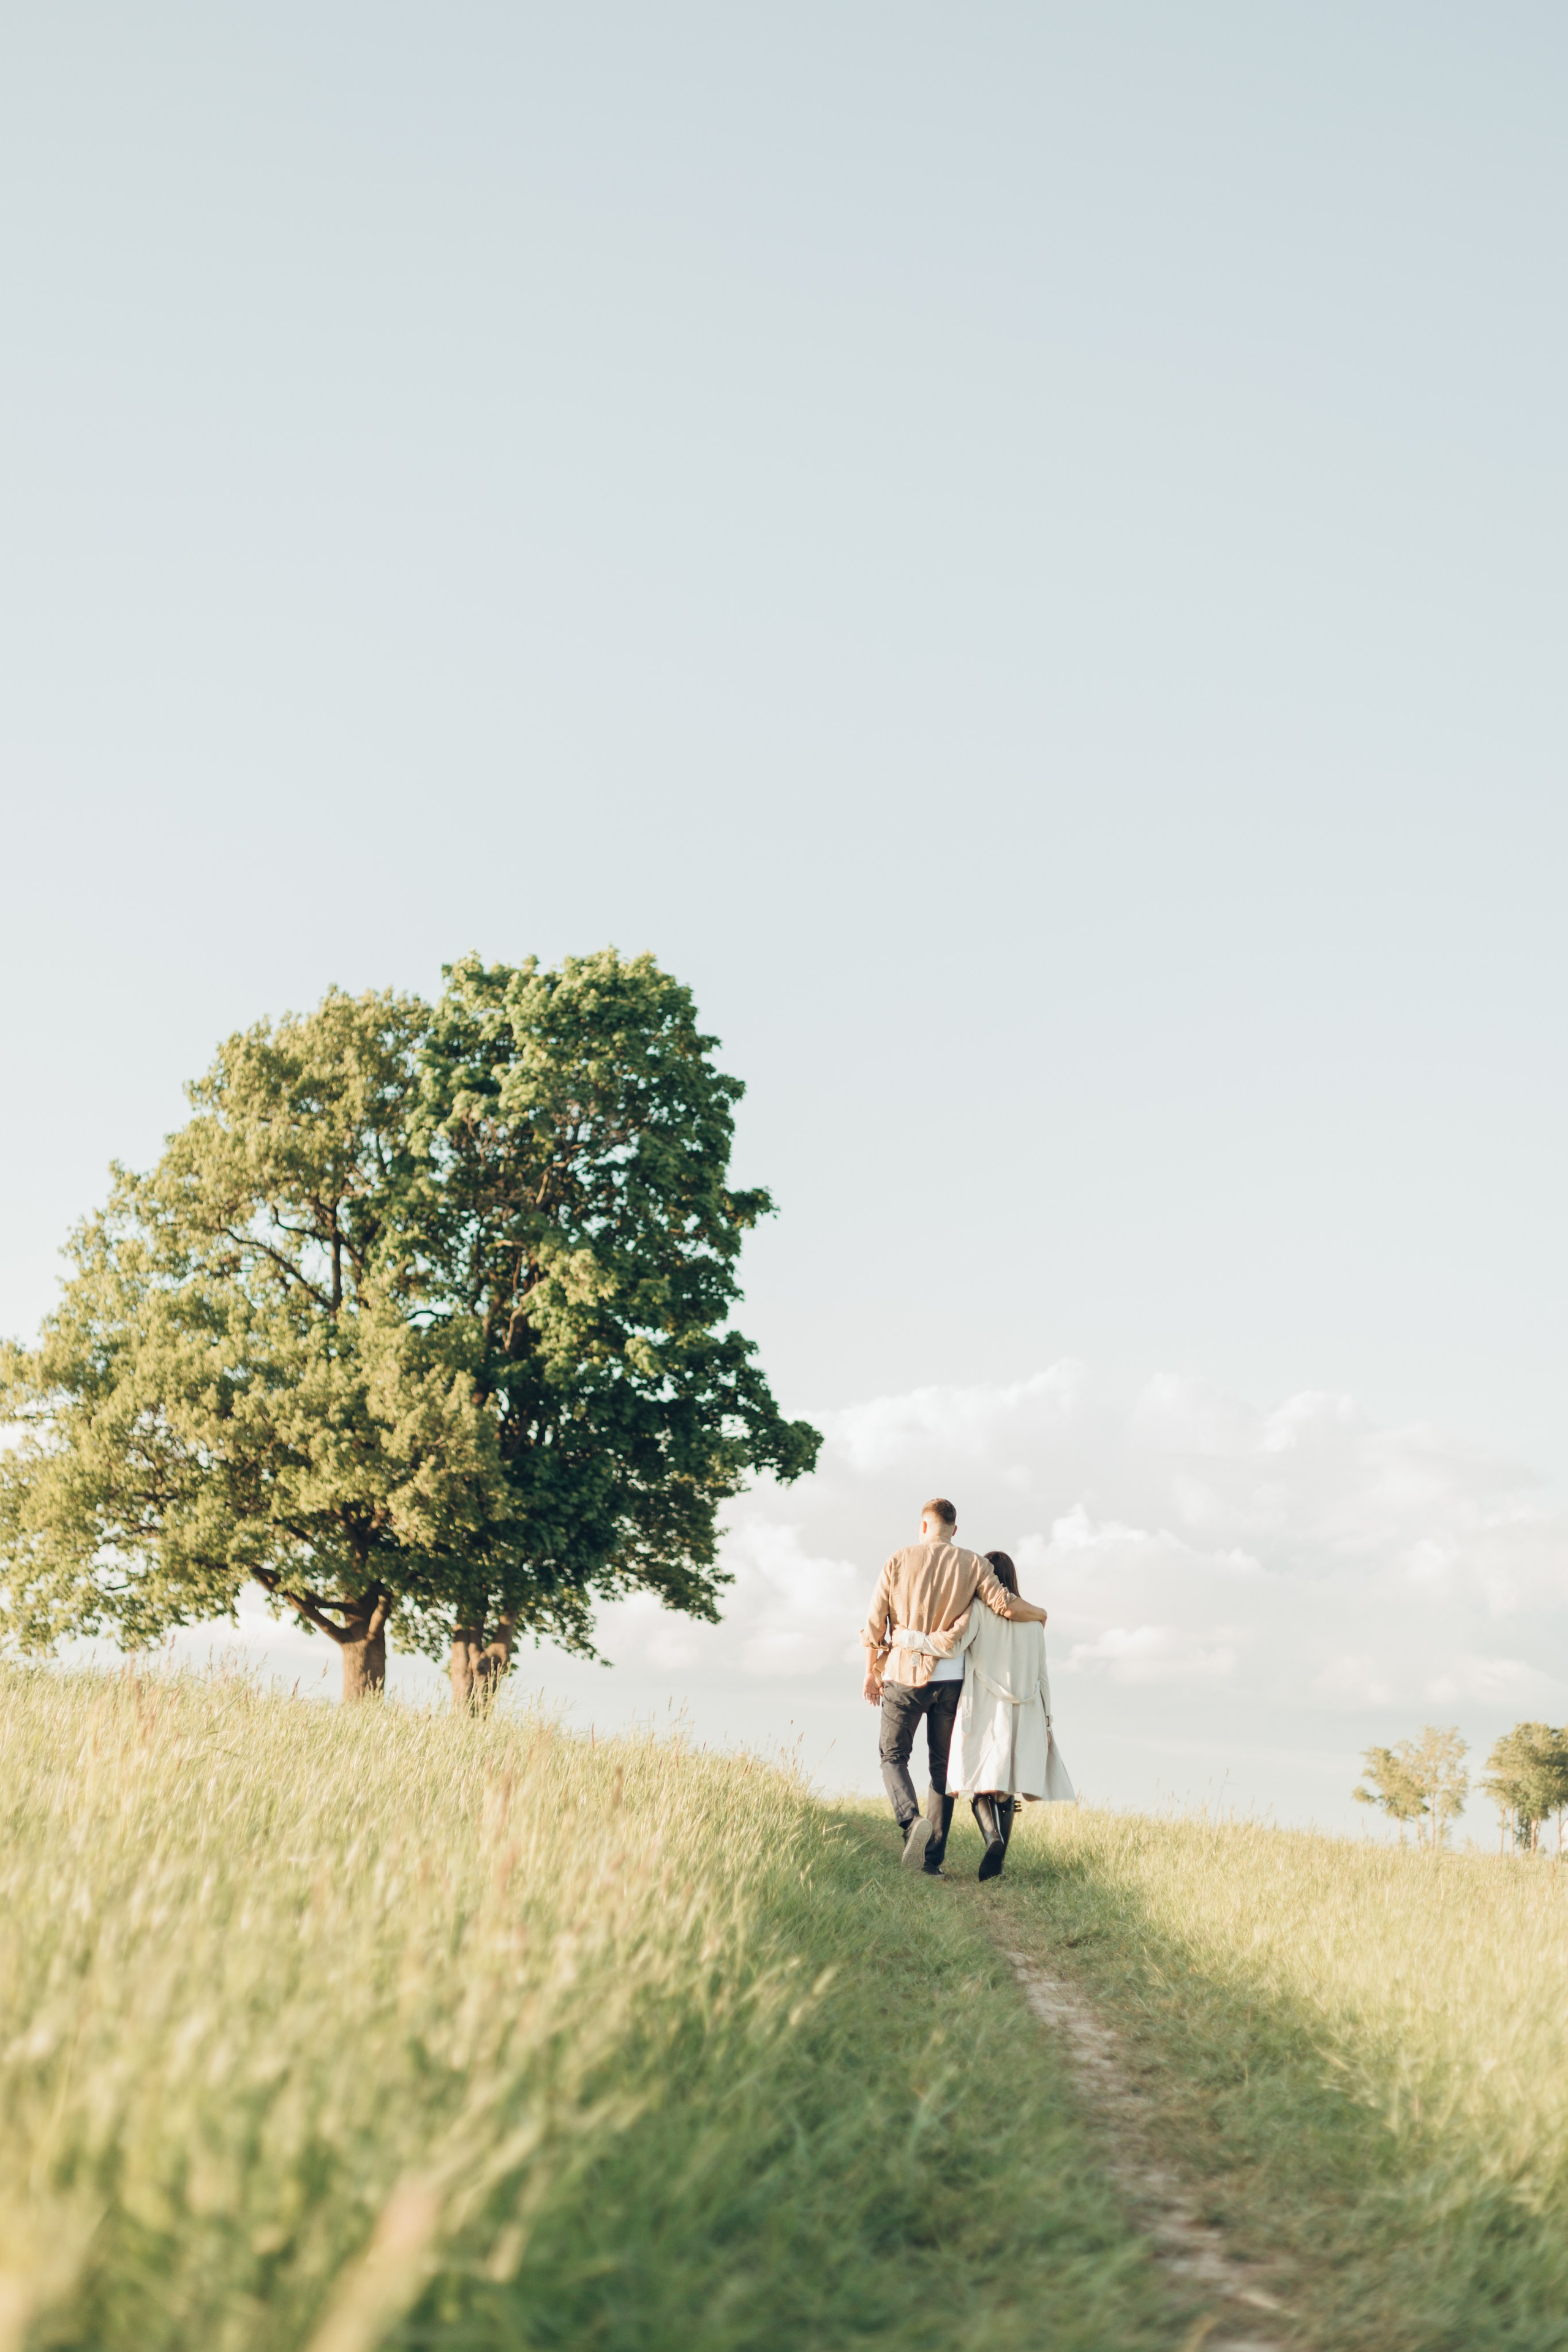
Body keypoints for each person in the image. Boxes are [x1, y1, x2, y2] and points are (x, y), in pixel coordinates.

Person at [861, 1499, 1049, 1875]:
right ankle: (932, 1861)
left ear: (924, 1526)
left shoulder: (898, 1560)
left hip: (904, 1675)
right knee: (942, 1772)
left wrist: (871, 1671)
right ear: (955, 1530)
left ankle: (910, 1821)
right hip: (952, 1682)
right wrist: (1041, 1613)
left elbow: (875, 1622)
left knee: (893, 1756)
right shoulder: (974, 1563)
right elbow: (1005, 1605)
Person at [889, 1548, 1073, 1881]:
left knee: (983, 1785)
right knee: (1007, 1788)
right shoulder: (1034, 1622)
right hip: (1029, 1709)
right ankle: (997, 1865)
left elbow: (950, 1646)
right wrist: (1047, 1721)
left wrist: (906, 1637)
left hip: (987, 1708)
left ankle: (993, 1838)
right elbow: (1043, 1674)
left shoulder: (978, 1611)